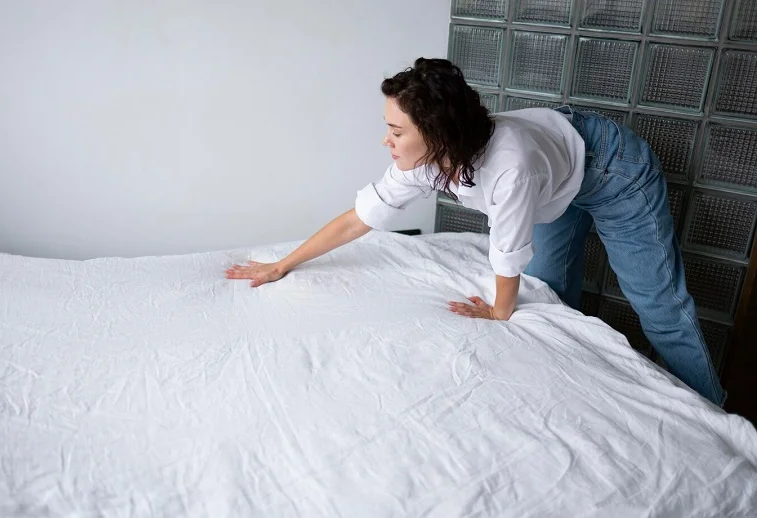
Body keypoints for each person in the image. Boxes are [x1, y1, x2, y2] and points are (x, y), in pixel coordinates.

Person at [225, 57, 725, 408]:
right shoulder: (423, 162)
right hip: (556, 168)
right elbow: (360, 218)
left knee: (657, 303)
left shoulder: (508, 166)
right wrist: (283, 264)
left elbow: (507, 257)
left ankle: (712, 413)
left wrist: (497, 310)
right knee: (550, 292)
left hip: (611, 168)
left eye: (396, 131)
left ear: (437, 134)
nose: (386, 139)